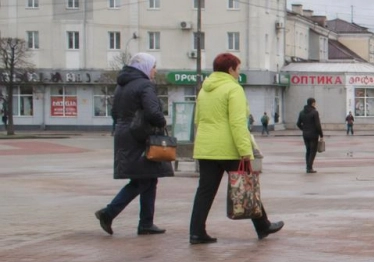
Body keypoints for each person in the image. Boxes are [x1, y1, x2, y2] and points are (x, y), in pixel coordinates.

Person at [188, 53, 284, 244]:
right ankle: (263, 225)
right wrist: (246, 152)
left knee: (205, 191)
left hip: (206, 148)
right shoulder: (233, 89)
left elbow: (197, 119)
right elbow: (238, 123)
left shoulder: (204, 90)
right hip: (229, 147)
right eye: (238, 69)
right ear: (230, 69)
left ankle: (196, 232)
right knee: (248, 184)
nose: (238, 73)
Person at [94, 53, 173, 237]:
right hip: (140, 137)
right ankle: (109, 212)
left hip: (125, 134)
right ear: (144, 67)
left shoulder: (122, 86)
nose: (154, 71)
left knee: (148, 178)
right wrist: (162, 122)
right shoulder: (145, 85)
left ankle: (146, 223)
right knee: (142, 179)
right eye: (153, 67)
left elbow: (114, 113)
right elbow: (153, 112)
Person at [297, 98, 323, 173]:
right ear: (313, 103)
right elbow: (318, 125)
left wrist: (304, 129)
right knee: (313, 151)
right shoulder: (314, 112)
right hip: (314, 134)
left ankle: (308, 167)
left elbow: (298, 124)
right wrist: (321, 134)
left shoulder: (301, 112)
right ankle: (309, 167)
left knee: (308, 150)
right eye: (314, 103)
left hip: (305, 134)